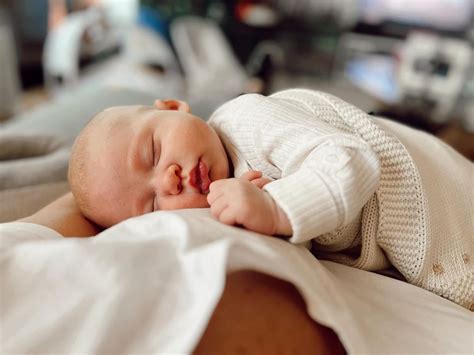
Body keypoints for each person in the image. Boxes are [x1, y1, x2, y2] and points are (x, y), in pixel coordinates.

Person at [25, 89, 474, 310]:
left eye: (154, 153)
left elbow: (350, 161)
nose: (170, 181)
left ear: (174, 107)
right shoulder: (234, 191)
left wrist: (278, 208)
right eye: (153, 206)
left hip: (441, 203)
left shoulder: (246, 119)